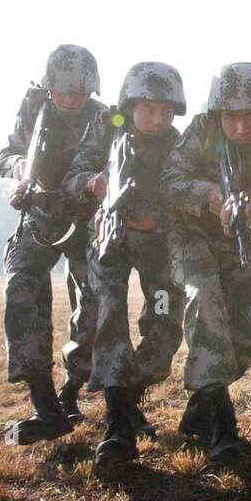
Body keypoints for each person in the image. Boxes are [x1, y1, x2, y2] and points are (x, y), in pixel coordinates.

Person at [60, 62, 187, 464]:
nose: (158, 119)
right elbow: (73, 175)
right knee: (109, 318)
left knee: (166, 323)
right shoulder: (104, 131)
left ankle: (131, 397)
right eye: (149, 109)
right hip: (108, 240)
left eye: (166, 111)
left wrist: (157, 219)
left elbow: (186, 193)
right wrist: (92, 183)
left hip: (157, 247)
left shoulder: (178, 143)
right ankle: (118, 423)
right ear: (129, 106)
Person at [158, 63, 251, 467]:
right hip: (190, 235)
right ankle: (222, 428)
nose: (242, 127)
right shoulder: (202, 131)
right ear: (218, 115)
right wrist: (208, 194)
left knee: (249, 333)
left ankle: (199, 410)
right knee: (206, 300)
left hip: (244, 239)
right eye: (232, 117)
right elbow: (169, 182)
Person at [0, 45, 105, 444]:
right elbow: (6, 154)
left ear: (92, 89)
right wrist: (21, 170)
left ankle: (72, 390)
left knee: (93, 303)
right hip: (38, 217)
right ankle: (44, 403)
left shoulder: (104, 119)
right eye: (62, 91)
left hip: (83, 220)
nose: (69, 99)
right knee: (20, 290)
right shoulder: (35, 107)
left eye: (78, 92)